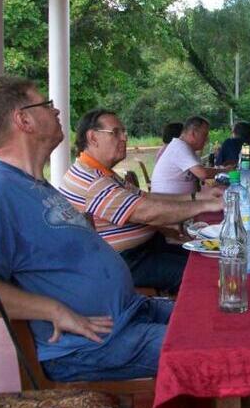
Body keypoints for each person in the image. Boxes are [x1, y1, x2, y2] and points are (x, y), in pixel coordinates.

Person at [0, 76, 172, 382]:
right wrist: (53, 310)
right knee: (214, 344)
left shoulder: (34, 184)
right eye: (46, 104)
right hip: (91, 347)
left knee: (217, 316)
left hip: (131, 313)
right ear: (23, 120)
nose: (56, 110)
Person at [60, 109, 223, 293]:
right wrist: (208, 205)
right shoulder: (92, 181)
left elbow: (146, 197)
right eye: (116, 132)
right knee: (207, 275)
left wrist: (199, 197)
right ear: (93, 138)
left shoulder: (100, 172)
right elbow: (147, 212)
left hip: (147, 248)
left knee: (210, 261)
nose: (124, 138)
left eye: (124, 132)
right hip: (124, 262)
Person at [150, 116, 218, 195]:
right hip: (169, 201)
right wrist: (227, 171)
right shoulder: (179, 147)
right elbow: (203, 174)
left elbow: (200, 172)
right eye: (205, 135)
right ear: (193, 133)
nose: (207, 139)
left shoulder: (184, 147)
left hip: (177, 199)